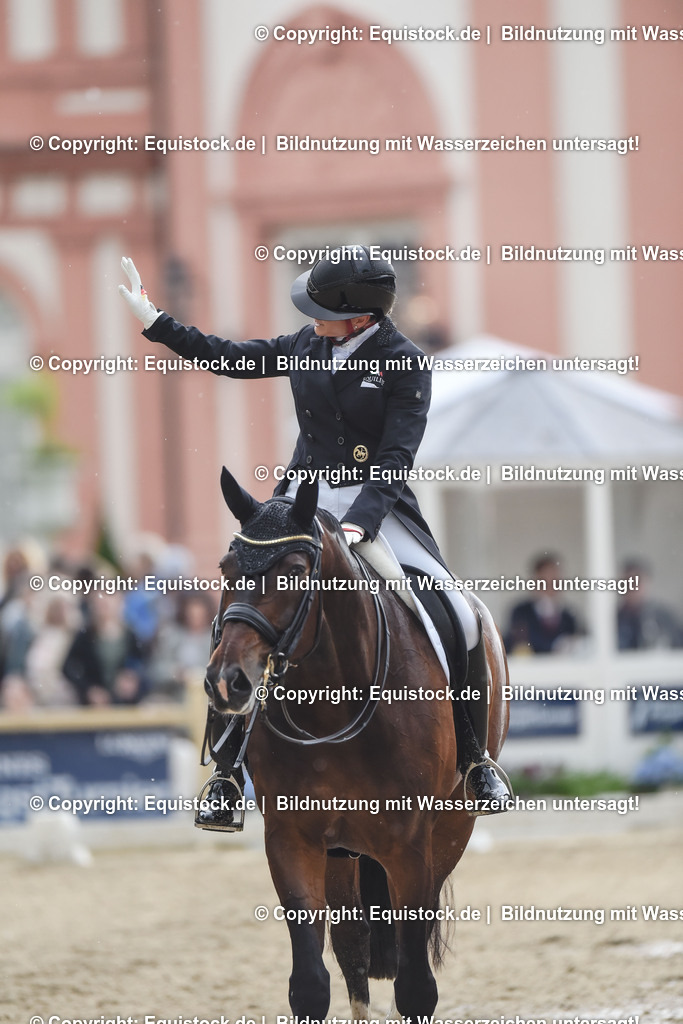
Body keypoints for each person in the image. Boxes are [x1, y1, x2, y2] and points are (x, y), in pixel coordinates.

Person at [119, 246, 512, 826]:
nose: (310, 320)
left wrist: (363, 520)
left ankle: (475, 758)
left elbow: (396, 455)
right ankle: (226, 774)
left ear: (360, 317)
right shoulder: (309, 345)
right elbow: (235, 358)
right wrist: (158, 323)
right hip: (301, 500)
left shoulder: (405, 362)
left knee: (455, 611)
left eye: (321, 310)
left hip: (375, 504)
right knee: (242, 611)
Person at [504, 553, 580, 654]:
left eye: (555, 581)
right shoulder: (521, 612)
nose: (551, 588)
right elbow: (521, 642)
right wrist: (555, 646)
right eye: (545, 582)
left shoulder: (568, 616)